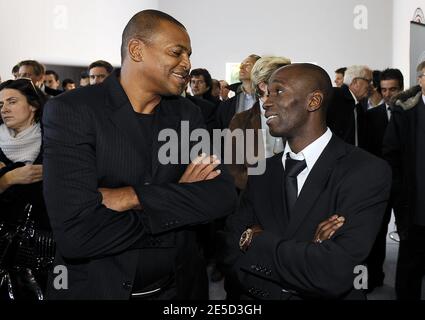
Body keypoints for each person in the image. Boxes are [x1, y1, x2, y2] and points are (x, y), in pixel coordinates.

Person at [42, 9, 237, 300]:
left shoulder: (186, 113)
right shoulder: (73, 110)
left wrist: (130, 197)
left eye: (189, 54)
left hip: (179, 289)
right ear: (136, 50)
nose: (187, 64)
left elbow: (221, 196)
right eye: (177, 52)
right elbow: (77, 235)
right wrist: (180, 197)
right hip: (95, 289)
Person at [219, 63, 391, 300]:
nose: (266, 102)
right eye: (266, 93)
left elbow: (334, 271)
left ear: (313, 101)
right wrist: (310, 250)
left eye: (278, 92)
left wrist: (255, 241)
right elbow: (230, 254)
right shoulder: (262, 172)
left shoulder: (366, 171)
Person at [0, 78, 52, 300]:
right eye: (0, 104)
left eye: (12, 101)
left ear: (33, 105)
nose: (5, 109)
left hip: (44, 246)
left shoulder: (55, 138)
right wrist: (8, 178)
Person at [383, 60, 425, 300]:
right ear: (420, 79)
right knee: (410, 266)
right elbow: (391, 156)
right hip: (413, 205)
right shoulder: (405, 111)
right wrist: (399, 196)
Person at [363, 68, 404, 293]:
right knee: (377, 231)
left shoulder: (412, 114)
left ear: (402, 88)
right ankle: (374, 277)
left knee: (409, 234)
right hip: (380, 185)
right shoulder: (372, 117)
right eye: (384, 90)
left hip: (406, 186)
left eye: (393, 89)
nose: (388, 94)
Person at [226, 56, 290, 191]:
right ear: (263, 86)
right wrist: (259, 188)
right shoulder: (241, 121)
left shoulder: (296, 116)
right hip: (254, 197)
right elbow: (234, 169)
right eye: (283, 83)